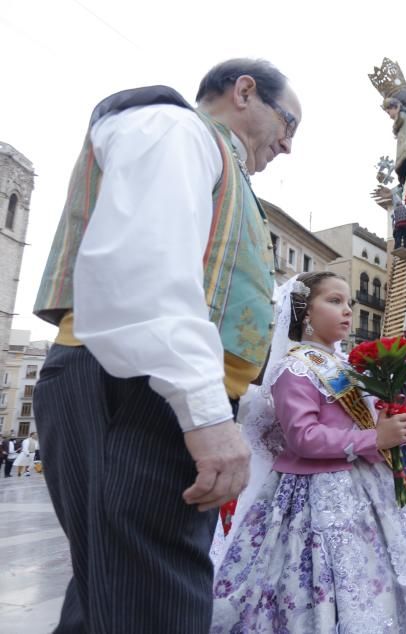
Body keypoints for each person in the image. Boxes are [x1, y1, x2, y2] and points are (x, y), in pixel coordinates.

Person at [30, 58, 301, 632]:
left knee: (116, 591)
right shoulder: (174, 128)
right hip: (138, 389)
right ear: (245, 92)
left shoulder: (210, 155)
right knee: (155, 602)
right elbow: (143, 274)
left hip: (147, 390)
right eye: (289, 124)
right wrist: (204, 414)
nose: (288, 145)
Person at [212, 272, 406, 632]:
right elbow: (303, 438)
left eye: (349, 303)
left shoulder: (339, 366)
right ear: (305, 312)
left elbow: (351, 423)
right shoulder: (295, 369)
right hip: (316, 498)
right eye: (335, 301)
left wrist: (385, 422)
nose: (348, 311)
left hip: (363, 490)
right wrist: (376, 439)